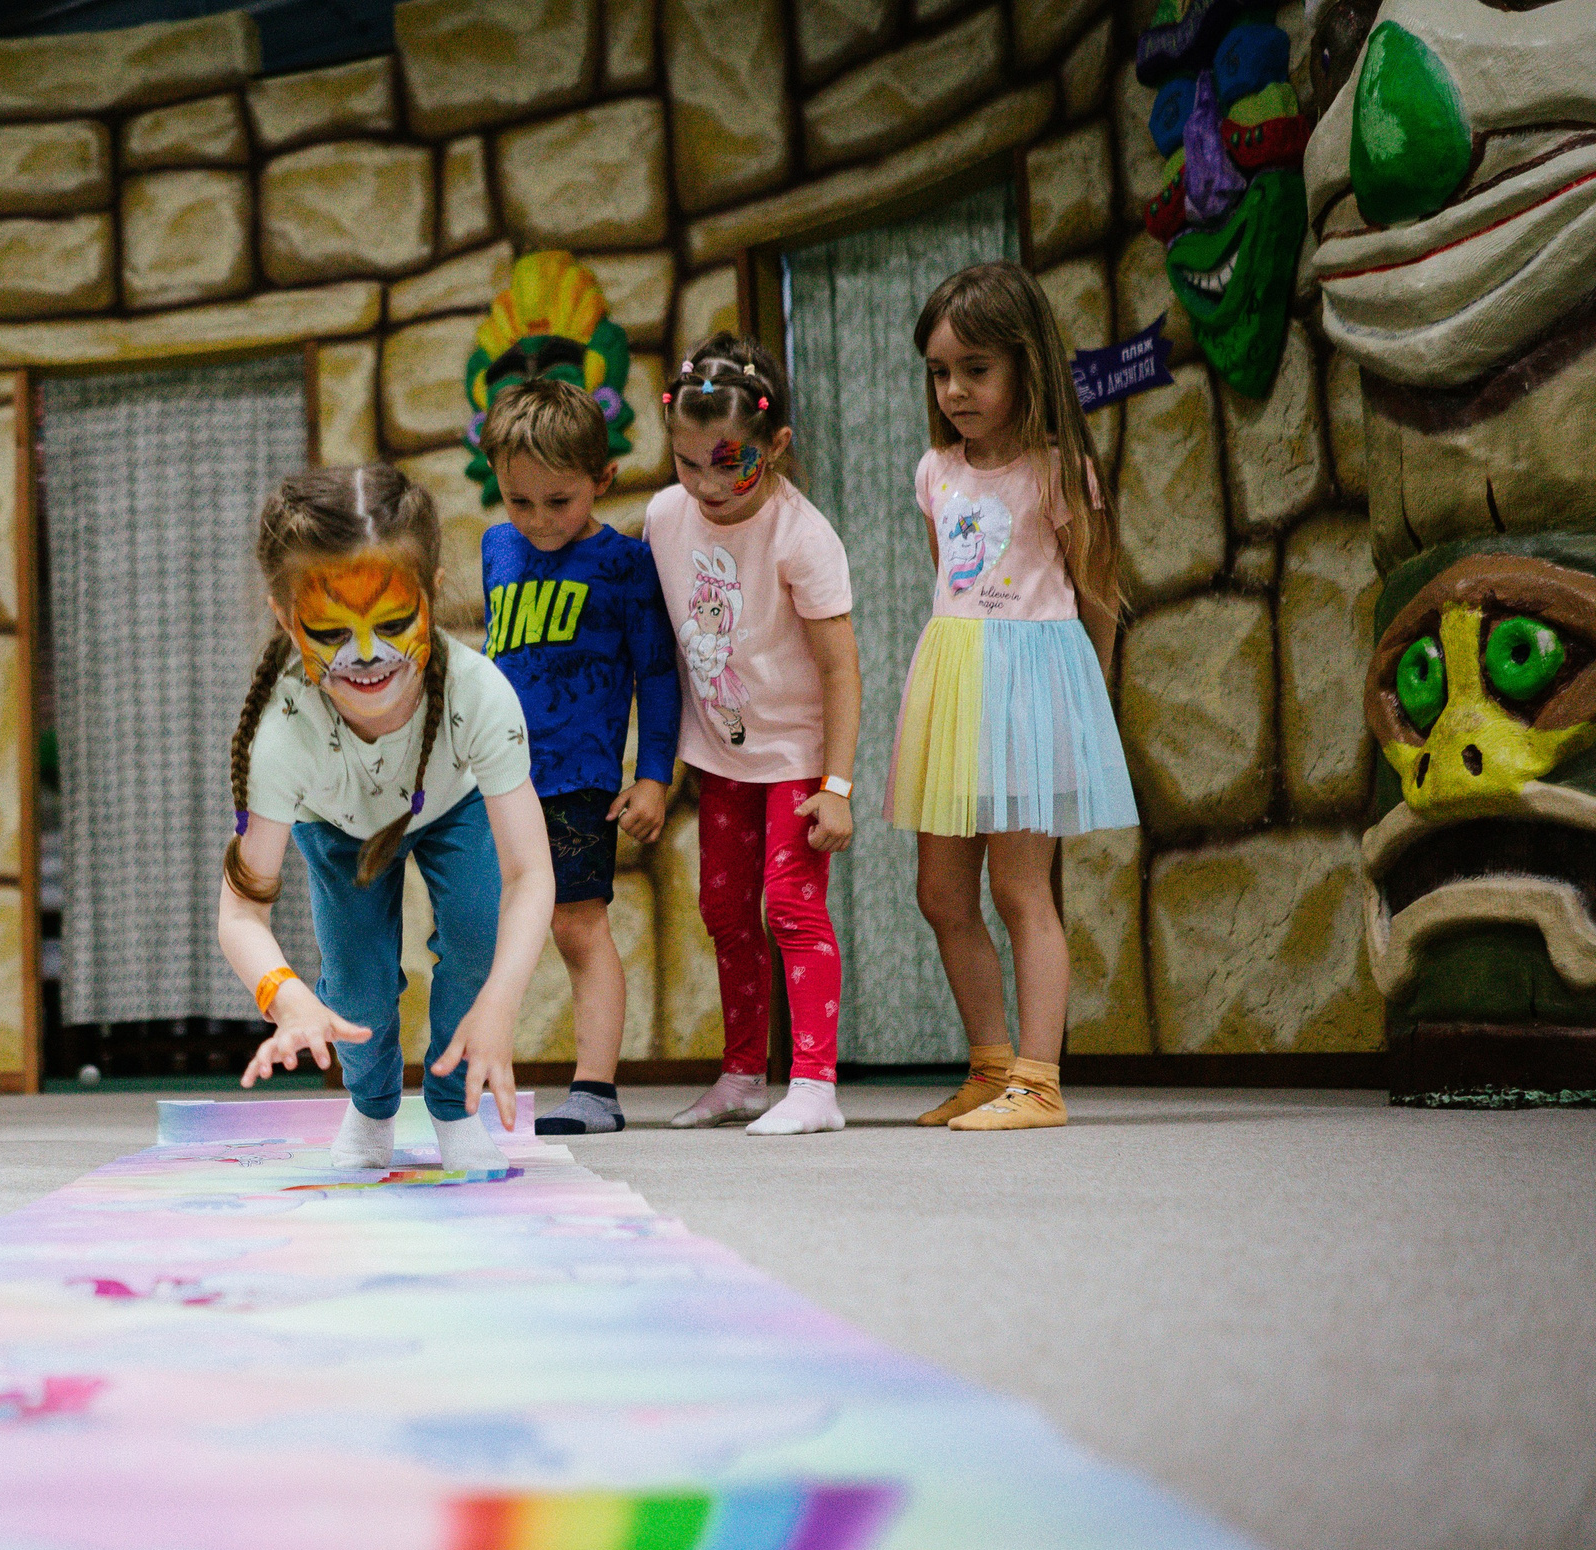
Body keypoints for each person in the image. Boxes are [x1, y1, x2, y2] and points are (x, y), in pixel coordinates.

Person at [217, 466, 556, 1178]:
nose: (366, 654)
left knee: (475, 936)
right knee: (357, 986)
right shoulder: (282, 735)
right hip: (336, 823)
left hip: (449, 803)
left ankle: (449, 1105)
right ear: (285, 615)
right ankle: (371, 1105)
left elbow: (530, 875)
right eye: (331, 630)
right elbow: (242, 911)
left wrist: (500, 1002)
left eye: (394, 622)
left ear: (430, 592)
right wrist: (288, 999)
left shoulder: (479, 696)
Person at [890, 261, 1139, 1130]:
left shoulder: (1059, 468)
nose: (954, 389)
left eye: (975, 370)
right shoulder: (935, 470)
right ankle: (990, 1064)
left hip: (1032, 686)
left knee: (1021, 890)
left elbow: (1095, 595)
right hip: (956, 682)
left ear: (1026, 365)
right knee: (941, 894)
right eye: (939, 372)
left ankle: (1039, 1081)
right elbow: (950, 582)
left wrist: (1086, 702)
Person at [642, 333, 861, 1136]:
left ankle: (815, 1084)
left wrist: (836, 788)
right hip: (724, 753)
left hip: (798, 757)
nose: (705, 484)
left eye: (727, 462)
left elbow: (842, 670)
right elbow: (664, 647)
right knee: (725, 910)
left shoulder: (802, 537)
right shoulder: (666, 518)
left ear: (776, 447)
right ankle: (741, 1075)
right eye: (687, 461)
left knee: (792, 908)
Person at [477, 378, 680, 1136]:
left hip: (578, 776)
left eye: (558, 502)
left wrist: (653, 774)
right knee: (482, 920)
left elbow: (658, 674)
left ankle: (595, 1090)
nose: (536, 521)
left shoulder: (626, 565)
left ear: (603, 481)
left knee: (575, 923)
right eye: (518, 501)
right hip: (495, 776)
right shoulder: (498, 547)